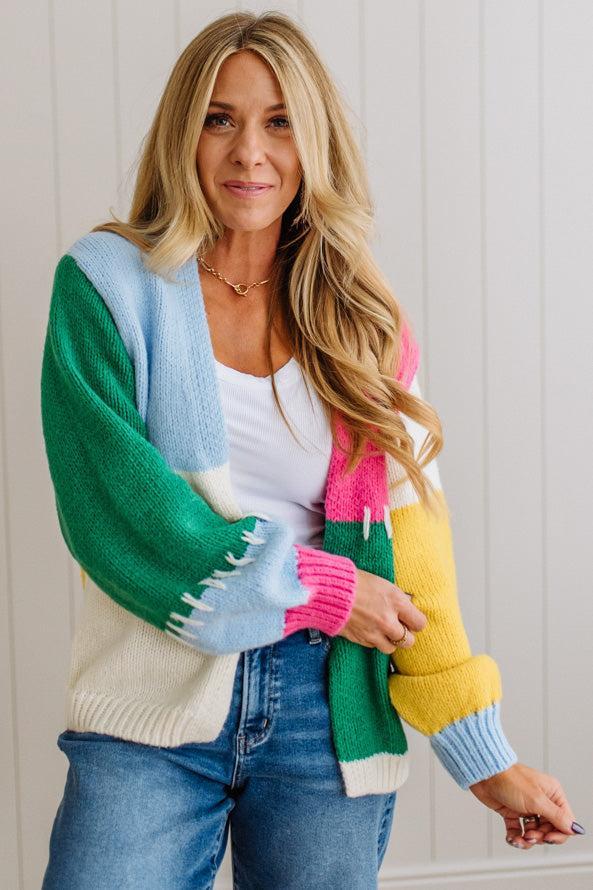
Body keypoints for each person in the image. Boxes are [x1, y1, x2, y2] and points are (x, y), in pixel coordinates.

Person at [39, 10, 584, 890]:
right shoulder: (107, 287)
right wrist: (321, 591)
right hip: (150, 704)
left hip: (327, 712)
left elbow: (414, 553)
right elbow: (120, 517)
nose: (249, 152)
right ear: (185, 131)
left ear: (314, 139)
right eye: (220, 118)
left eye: (278, 120)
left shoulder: (362, 322)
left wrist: (482, 755)